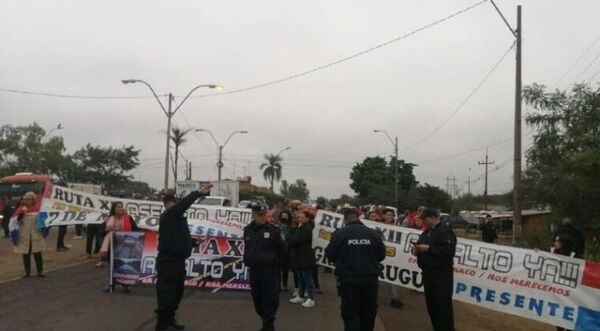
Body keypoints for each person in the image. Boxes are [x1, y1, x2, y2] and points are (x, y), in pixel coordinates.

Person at [155, 184, 212, 331]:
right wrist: (198, 193)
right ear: (168, 205)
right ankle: (162, 324)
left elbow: (177, 238)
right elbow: (183, 205)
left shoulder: (178, 219)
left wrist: (193, 242)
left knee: (177, 292)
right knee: (166, 293)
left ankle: (171, 318)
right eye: (174, 204)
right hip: (168, 261)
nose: (178, 206)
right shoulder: (169, 215)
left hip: (179, 261)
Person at [325, 208, 386, 331]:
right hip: (370, 279)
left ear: (345, 218)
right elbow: (381, 255)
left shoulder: (339, 234)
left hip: (348, 280)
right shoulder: (373, 234)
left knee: (350, 312)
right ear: (358, 217)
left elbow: (330, 255)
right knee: (368, 311)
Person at [243, 201, 287, 331]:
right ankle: (266, 321)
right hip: (254, 271)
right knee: (257, 300)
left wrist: (274, 261)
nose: (263, 217)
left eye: (264, 214)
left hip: (270, 272)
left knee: (270, 299)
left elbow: (284, 251)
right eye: (260, 214)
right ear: (253, 215)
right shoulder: (247, 230)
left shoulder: (274, 231)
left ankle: (269, 325)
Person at [412, 208, 457, 331]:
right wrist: (416, 250)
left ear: (432, 218)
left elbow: (449, 251)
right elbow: (420, 244)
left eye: (425, 219)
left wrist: (429, 249)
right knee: (431, 304)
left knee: (442, 304)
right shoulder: (427, 231)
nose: (424, 222)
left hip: (441, 273)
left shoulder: (445, 231)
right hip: (428, 272)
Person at [99, 201, 139, 293]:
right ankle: (111, 285)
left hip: (125, 246)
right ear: (114, 209)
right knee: (112, 266)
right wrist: (106, 230)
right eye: (118, 207)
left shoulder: (128, 218)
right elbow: (101, 232)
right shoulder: (109, 219)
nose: (120, 208)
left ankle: (126, 285)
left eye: (121, 207)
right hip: (111, 246)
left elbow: (135, 229)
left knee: (124, 265)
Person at [11, 192, 47, 278]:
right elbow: (15, 221)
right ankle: (27, 272)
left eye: (28, 199)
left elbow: (44, 221)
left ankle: (40, 271)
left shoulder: (39, 209)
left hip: (36, 234)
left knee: (37, 253)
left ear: (33, 200)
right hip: (24, 235)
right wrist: (20, 215)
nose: (26, 201)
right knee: (25, 254)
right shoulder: (21, 210)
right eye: (25, 199)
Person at [288, 210, 317, 308]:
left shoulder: (308, 228)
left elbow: (297, 239)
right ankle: (300, 295)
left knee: (307, 278)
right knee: (301, 277)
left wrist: (290, 240)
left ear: (307, 218)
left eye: (302, 217)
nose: (299, 219)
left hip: (306, 255)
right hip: (299, 255)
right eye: (298, 217)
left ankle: (311, 298)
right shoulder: (301, 227)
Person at [551, 234, 575, 331]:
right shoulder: (552, 252)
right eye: (555, 241)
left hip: (570, 291)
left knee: (569, 314)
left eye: (558, 241)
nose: (555, 243)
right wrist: (536, 252)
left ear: (564, 243)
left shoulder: (573, 255)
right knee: (558, 314)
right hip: (557, 290)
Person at [382, 208, 403, 309]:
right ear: (384, 216)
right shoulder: (379, 227)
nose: (390, 217)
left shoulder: (397, 228)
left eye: (392, 215)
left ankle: (393, 299)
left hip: (392, 256)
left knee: (390, 277)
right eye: (388, 215)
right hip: (381, 255)